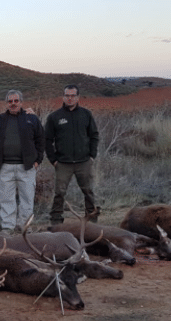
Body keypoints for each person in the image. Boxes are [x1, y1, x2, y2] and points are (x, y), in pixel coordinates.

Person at [0, 90, 44, 232]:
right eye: (10, 101)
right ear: (6, 103)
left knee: (27, 199)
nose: (13, 104)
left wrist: (38, 159)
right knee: (7, 199)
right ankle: (8, 226)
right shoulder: (0, 119)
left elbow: (40, 140)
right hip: (5, 166)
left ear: (21, 102)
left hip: (27, 167)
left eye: (16, 101)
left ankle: (24, 226)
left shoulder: (31, 118)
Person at [45, 84, 100, 225]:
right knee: (59, 193)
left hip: (84, 162)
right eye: (67, 96)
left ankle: (92, 219)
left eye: (73, 96)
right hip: (63, 163)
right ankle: (56, 220)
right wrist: (54, 160)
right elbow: (47, 140)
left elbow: (94, 135)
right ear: (63, 97)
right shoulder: (55, 117)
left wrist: (92, 155)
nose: (70, 98)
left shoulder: (86, 114)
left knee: (88, 191)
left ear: (77, 97)